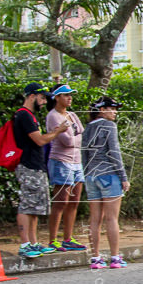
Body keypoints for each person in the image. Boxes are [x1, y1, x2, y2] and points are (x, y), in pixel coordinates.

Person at [13, 83, 68, 258]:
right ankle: (25, 244)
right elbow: (39, 140)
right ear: (31, 96)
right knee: (26, 205)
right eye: (42, 97)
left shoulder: (30, 116)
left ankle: (34, 242)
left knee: (35, 206)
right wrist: (58, 132)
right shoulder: (24, 116)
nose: (44, 101)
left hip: (36, 166)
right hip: (28, 165)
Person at [81, 96, 130, 269]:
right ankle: (115, 257)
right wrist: (123, 176)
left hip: (91, 176)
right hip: (109, 174)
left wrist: (87, 173)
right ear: (102, 110)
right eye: (112, 108)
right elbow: (114, 152)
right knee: (111, 219)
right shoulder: (109, 126)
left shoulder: (88, 127)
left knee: (94, 219)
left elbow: (84, 153)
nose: (115, 112)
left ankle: (95, 258)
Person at [45, 84, 86, 252]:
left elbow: (80, 135)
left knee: (75, 201)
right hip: (61, 161)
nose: (69, 98)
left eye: (70, 95)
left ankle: (68, 238)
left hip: (76, 162)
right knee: (61, 201)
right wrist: (75, 138)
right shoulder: (53, 116)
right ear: (56, 97)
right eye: (65, 95)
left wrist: (74, 138)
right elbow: (68, 141)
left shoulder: (72, 115)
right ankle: (53, 239)